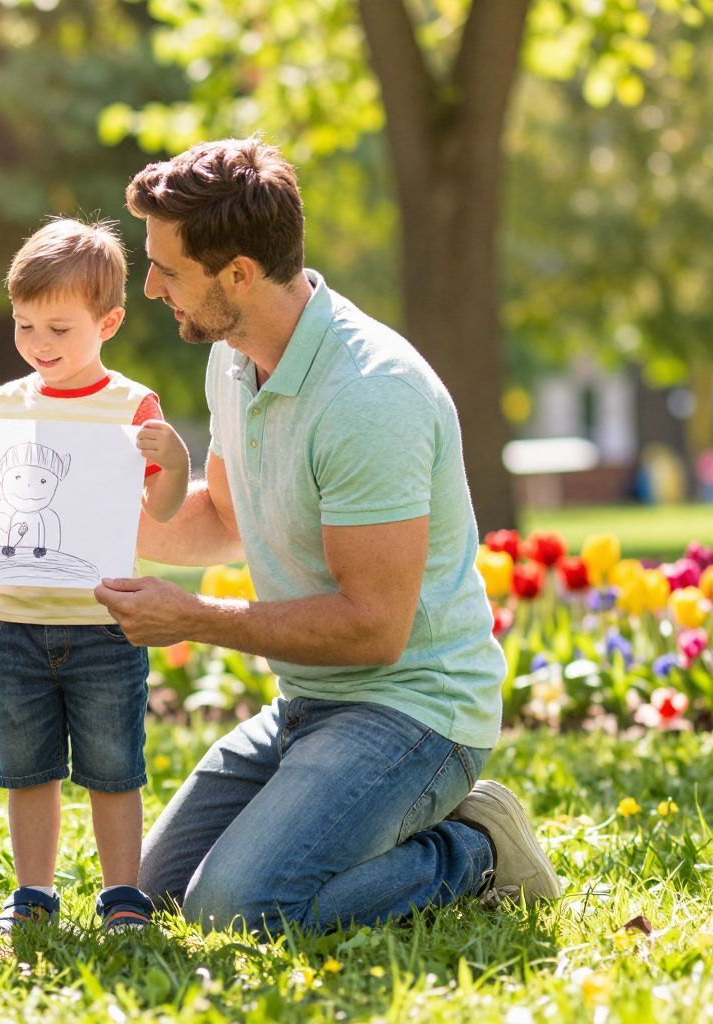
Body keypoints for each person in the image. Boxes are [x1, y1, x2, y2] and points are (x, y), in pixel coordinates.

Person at [93, 138, 562, 934]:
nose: (150, 287)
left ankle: (472, 848)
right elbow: (227, 521)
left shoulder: (370, 395)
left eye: (167, 269)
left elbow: (375, 628)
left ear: (238, 274)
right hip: (307, 702)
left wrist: (196, 621)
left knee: (239, 909)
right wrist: (77, 524)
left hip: (414, 710)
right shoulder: (235, 359)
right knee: (155, 889)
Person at [0, 218, 190, 933]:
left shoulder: (133, 407)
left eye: (59, 329)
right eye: (25, 326)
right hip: (18, 621)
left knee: (112, 767)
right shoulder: (8, 402)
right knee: (27, 768)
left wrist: (176, 461)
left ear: (110, 322)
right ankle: (32, 894)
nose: (39, 344)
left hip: (104, 622)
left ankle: (122, 893)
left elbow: (158, 508)